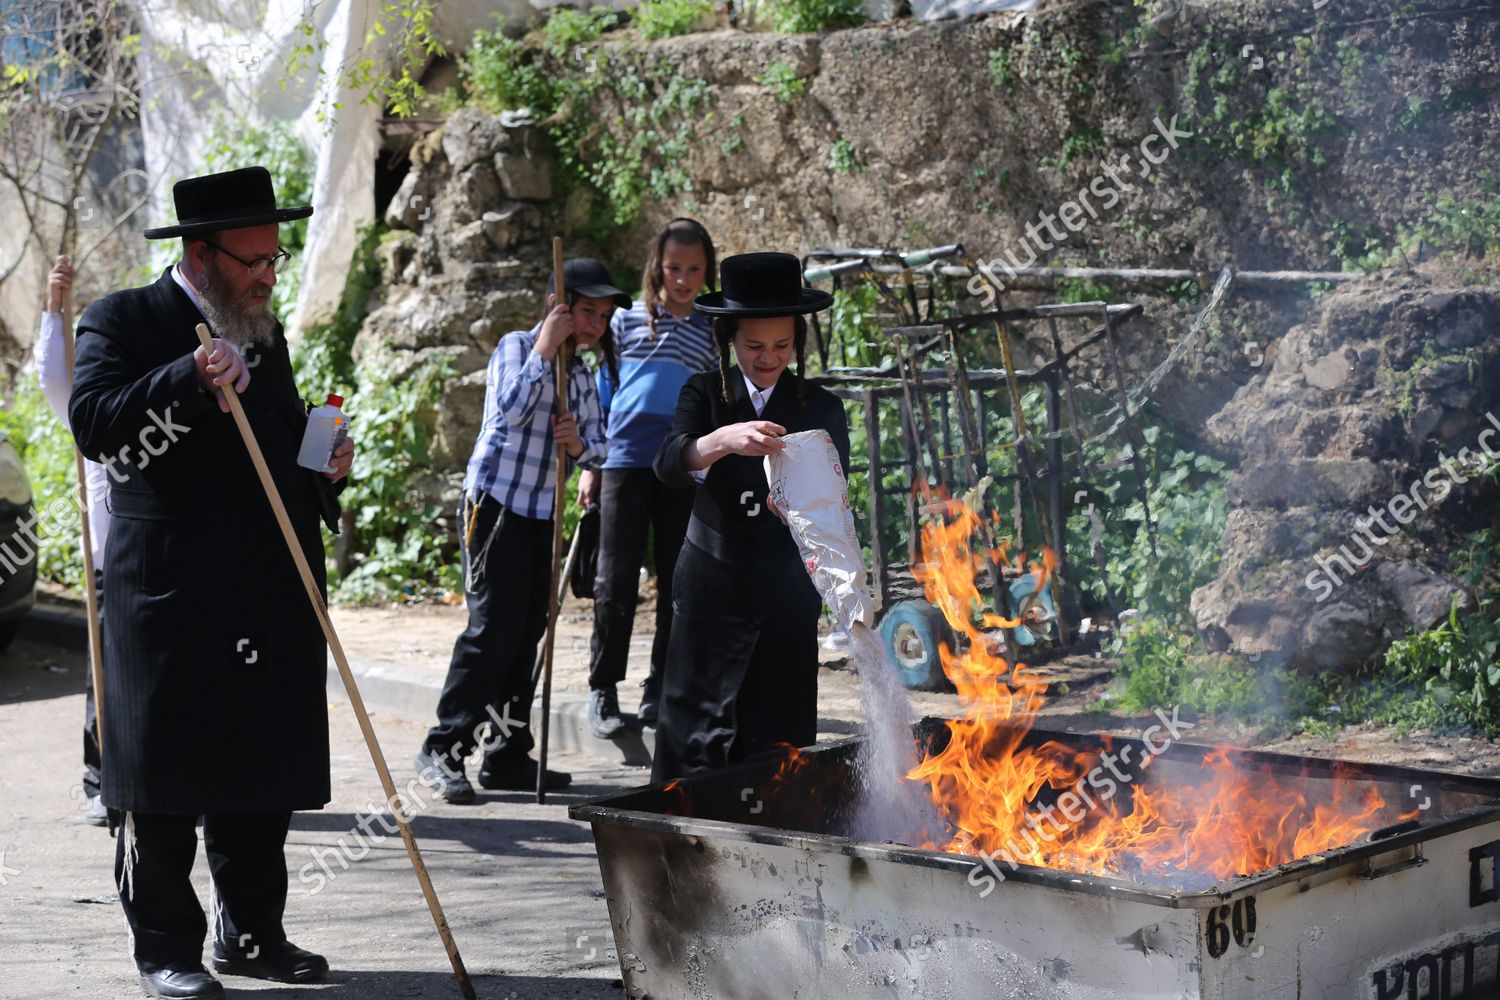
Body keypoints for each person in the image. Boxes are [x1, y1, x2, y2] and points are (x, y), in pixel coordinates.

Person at [69, 166, 353, 1000]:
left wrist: (325, 463)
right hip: (169, 595)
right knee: (163, 783)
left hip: (266, 585)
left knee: (258, 771)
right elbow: (98, 428)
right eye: (252, 259)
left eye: (275, 256)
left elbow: (283, 446)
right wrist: (189, 380)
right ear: (199, 254)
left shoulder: (263, 331)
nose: (270, 274)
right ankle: (166, 949)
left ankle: (252, 934)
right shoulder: (121, 318)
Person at [415, 258, 625, 803]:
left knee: (528, 631)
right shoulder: (515, 346)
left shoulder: (580, 375)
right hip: (497, 505)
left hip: (543, 514)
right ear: (558, 306)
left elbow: (600, 449)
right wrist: (543, 350)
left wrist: (576, 444)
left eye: (602, 316)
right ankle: (443, 750)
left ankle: (507, 755)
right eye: (585, 311)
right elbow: (507, 409)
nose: (594, 324)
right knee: (491, 631)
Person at [650, 252, 847, 782]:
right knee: (697, 746)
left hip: (785, 594)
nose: (768, 359)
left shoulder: (820, 406)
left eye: (782, 346)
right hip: (713, 587)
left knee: (777, 748)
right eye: (754, 346)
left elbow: (834, 492)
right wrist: (721, 442)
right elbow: (669, 462)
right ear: (729, 342)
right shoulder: (704, 394)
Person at [585, 218, 718, 739]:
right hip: (620, 461)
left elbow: (711, 404)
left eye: (693, 269)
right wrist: (592, 463)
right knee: (613, 581)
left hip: (679, 465)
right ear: (655, 268)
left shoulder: (711, 330)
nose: (682, 279)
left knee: (675, 581)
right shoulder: (624, 321)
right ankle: (603, 688)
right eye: (672, 268)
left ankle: (659, 686)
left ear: (706, 271)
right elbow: (601, 390)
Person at [34, 254, 112, 829]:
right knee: (106, 670)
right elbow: (52, 374)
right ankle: (100, 778)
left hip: (168, 556)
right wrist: (54, 307)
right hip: (109, 560)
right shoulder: (87, 409)